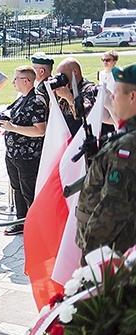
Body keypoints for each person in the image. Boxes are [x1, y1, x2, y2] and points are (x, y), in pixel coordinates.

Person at [76, 64, 136, 261]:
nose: (111, 98)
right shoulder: (125, 135)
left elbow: (114, 205)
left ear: (132, 97)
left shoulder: (128, 144)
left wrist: (90, 256)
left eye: (116, 93)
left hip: (114, 250)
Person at [0, 66, 47, 236]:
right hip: (13, 154)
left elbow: (40, 130)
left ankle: (36, 224)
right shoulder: (21, 98)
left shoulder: (37, 101)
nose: (12, 82)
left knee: (29, 191)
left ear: (25, 81)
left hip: (27, 156)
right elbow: (10, 111)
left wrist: (13, 127)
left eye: (16, 79)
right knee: (17, 188)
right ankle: (21, 221)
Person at [54, 57, 97, 136]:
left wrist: (69, 97)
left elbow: (87, 115)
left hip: (82, 138)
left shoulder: (89, 89)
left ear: (75, 71)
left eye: (63, 75)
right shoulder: (65, 90)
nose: (61, 79)